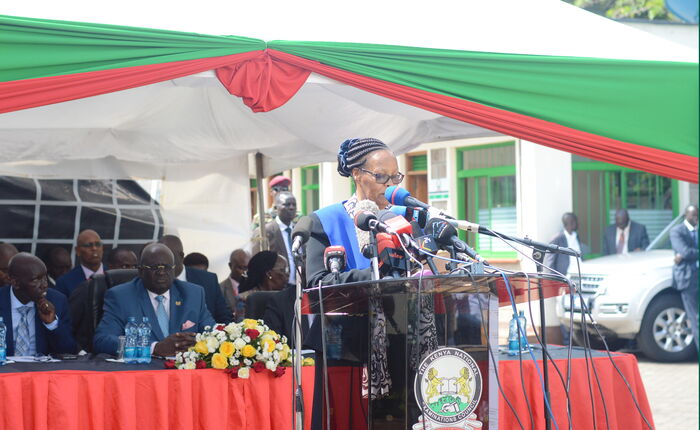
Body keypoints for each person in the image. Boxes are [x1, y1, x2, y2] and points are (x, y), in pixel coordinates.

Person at [93, 243, 215, 357]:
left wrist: (198, 342)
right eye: (154, 267)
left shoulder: (193, 294)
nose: (161, 272)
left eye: (167, 267)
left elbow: (213, 335)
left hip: (184, 374)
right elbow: (102, 340)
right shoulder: (121, 297)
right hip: (143, 374)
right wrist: (154, 348)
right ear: (140, 271)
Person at [0, 253, 76, 356]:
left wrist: (52, 323)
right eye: (36, 279)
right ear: (15, 282)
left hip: (42, 370)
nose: (44, 285)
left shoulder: (57, 300)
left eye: (45, 278)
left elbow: (69, 351)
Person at [68, 246, 138, 351]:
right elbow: (68, 326)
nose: (131, 271)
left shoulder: (138, 292)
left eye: (135, 267)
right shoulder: (87, 289)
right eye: (125, 266)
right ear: (111, 267)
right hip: (90, 356)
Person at [158, 235, 232, 323]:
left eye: (168, 258)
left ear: (181, 256)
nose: (163, 264)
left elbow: (224, 317)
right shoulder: (153, 280)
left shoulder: (208, 280)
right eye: (159, 259)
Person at [544, 212, 588, 345]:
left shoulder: (576, 236)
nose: (578, 224)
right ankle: (567, 342)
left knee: (578, 310)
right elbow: (549, 263)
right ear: (569, 223)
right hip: (564, 281)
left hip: (580, 280)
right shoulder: (558, 238)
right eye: (575, 221)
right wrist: (554, 283)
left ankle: (578, 342)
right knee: (564, 312)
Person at [252, 191, 298, 284]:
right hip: (276, 288)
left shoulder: (299, 230)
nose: (291, 207)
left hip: (298, 288)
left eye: (294, 204)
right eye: (287, 204)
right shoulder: (264, 231)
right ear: (276, 208)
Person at [670, 205, 698, 350]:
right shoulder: (677, 231)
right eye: (693, 215)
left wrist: (687, 254)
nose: (696, 219)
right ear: (686, 215)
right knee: (696, 318)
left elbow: (687, 253)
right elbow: (685, 252)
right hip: (688, 279)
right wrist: (685, 254)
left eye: (697, 215)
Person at [54, 229, 106, 298]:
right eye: (88, 245)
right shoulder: (65, 282)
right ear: (77, 250)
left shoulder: (114, 276)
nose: (94, 248)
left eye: (98, 244)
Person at [219, 249, 249, 322]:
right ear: (230, 265)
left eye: (247, 268)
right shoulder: (220, 288)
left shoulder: (254, 287)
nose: (244, 272)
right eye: (240, 268)